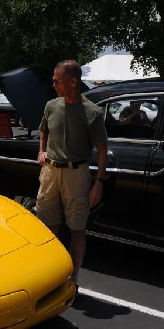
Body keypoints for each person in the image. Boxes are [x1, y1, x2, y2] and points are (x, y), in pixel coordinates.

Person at [36, 60, 108, 287]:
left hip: (77, 174)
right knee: (49, 225)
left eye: (58, 80)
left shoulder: (92, 112)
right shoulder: (51, 105)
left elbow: (102, 150)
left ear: (73, 81)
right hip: (50, 172)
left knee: (77, 228)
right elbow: (43, 131)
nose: (54, 84)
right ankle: (47, 275)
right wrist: (41, 150)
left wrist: (99, 183)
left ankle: (73, 278)